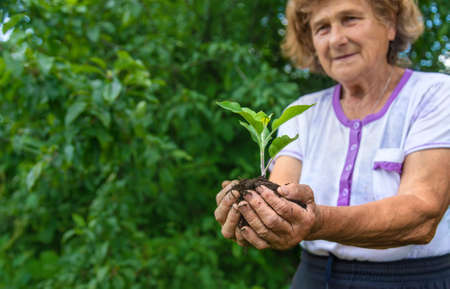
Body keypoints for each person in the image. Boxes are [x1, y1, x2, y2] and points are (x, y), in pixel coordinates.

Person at [214, 0, 450, 288]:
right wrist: (259, 215)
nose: (337, 39)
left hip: (410, 279)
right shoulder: (302, 112)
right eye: (322, 27)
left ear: (389, 24)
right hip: (313, 277)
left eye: (350, 19)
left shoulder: (436, 95)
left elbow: (422, 216)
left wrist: (317, 221)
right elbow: (282, 198)